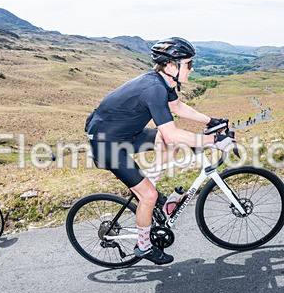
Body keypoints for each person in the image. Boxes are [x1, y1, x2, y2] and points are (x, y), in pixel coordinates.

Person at [85, 37, 233, 265]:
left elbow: (177, 107)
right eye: (189, 64)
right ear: (172, 65)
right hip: (107, 143)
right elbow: (172, 132)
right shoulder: (154, 88)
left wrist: (210, 121)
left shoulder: (164, 82)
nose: (191, 70)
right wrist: (213, 139)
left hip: (126, 134)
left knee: (168, 144)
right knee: (148, 195)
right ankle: (143, 245)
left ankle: (151, 187)